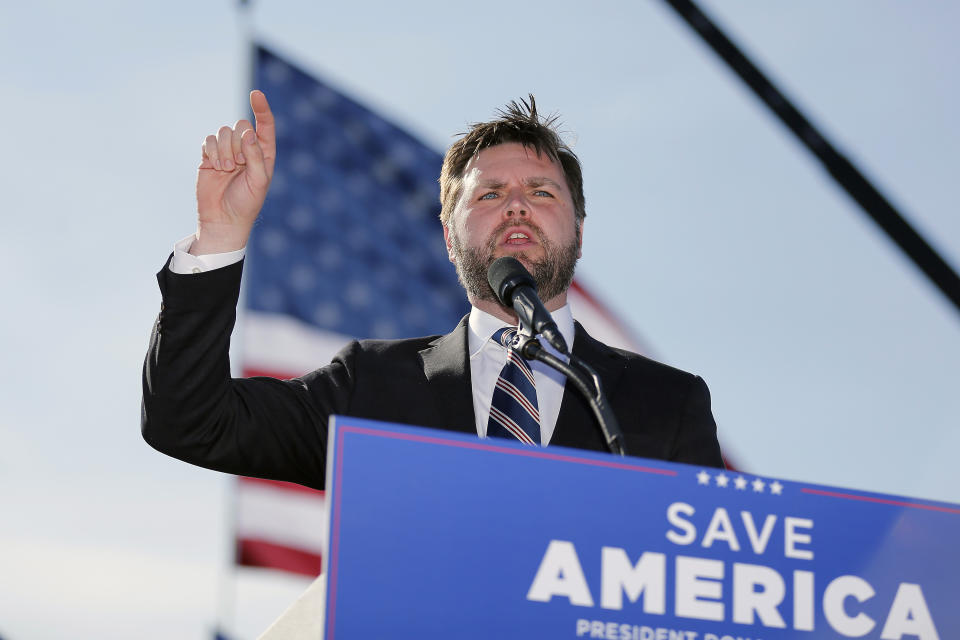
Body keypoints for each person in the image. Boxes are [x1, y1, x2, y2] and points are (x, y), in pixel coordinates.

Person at [142, 91, 724, 490]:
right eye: (489, 194)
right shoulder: (370, 387)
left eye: (542, 193)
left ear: (578, 230)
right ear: (449, 236)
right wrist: (220, 237)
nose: (517, 203)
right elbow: (189, 420)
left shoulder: (668, 405)